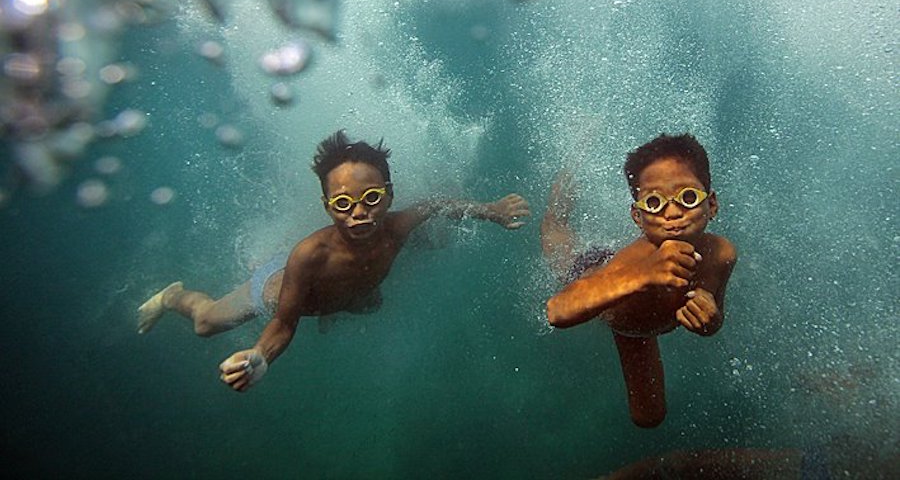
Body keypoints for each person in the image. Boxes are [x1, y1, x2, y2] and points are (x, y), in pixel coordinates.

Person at [138, 130, 530, 391]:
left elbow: (437, 205)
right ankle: (172, 297)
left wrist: (490, 210)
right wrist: (259, 357)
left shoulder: (397, 226)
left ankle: (339, 305)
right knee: (206, 323)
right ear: (327, 208)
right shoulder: (309, 255)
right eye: (343, 204)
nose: (358, 212)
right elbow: (284, 323)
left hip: (348, 292)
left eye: (371, 198)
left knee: (373, 300)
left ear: (389, 196)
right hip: (279, 290)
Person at [541, 133, 737, 427]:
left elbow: (715, 314)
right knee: (556, 228)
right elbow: (557, 310)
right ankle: (575, 153)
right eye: (654, 202)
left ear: (711, 204)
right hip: (594, 274)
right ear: (638, 216)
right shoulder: (631, 263)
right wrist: (643, 275)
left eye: (687, 197)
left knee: (649, 417)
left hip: (637, 326)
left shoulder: (722, 254)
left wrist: (711, 321)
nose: (672, 213)